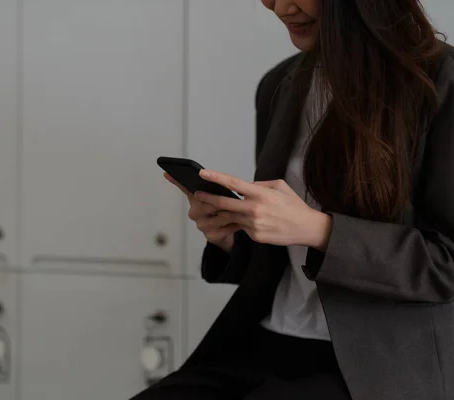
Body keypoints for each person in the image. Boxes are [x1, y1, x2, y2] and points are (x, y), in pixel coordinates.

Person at [130, 0, 454, 399]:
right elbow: (276, 256)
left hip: (377, 363)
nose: (280, 5)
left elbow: (446, 264)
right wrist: (232, 234)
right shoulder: (279, 84)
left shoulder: (442, 82)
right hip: (264, 338)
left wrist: (319, 230)